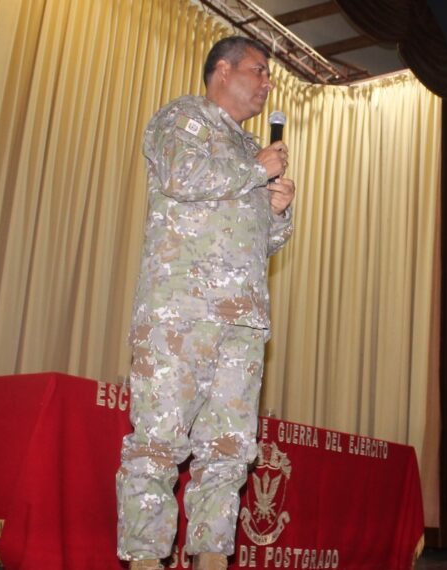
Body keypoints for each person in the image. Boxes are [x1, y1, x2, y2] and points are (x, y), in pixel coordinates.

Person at [116, 36, 295, 570]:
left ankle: (211, 560)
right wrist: (256, 173)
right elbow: (180, 176)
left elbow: (260, 240)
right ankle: (147, 561)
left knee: (228, 450)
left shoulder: (247, 149)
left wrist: (279, 214)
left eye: (268, 76)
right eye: (258, 71)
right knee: (159, 443)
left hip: (241, 322)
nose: (266, 83)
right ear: (222, 70)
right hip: (181, 315)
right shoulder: (184, 118)